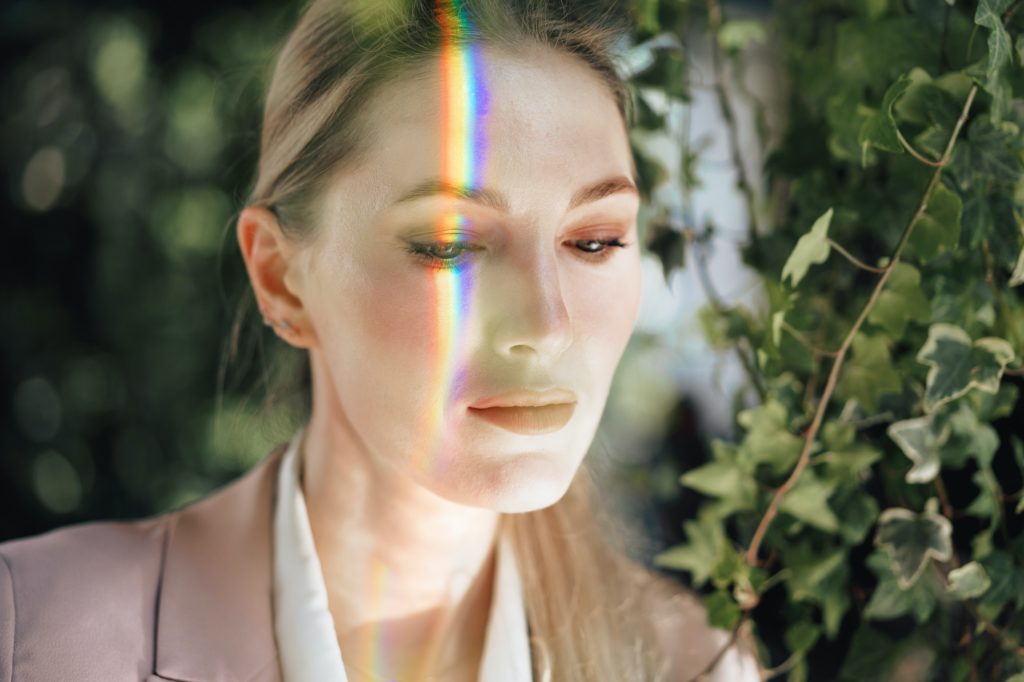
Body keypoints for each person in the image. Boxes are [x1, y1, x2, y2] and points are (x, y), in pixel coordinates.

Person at [0, 0, 763, 680]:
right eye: (450, 245)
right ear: (281, 279)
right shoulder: (33, 630)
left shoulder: (694, 664)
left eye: (594, 241)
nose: (546, 325)